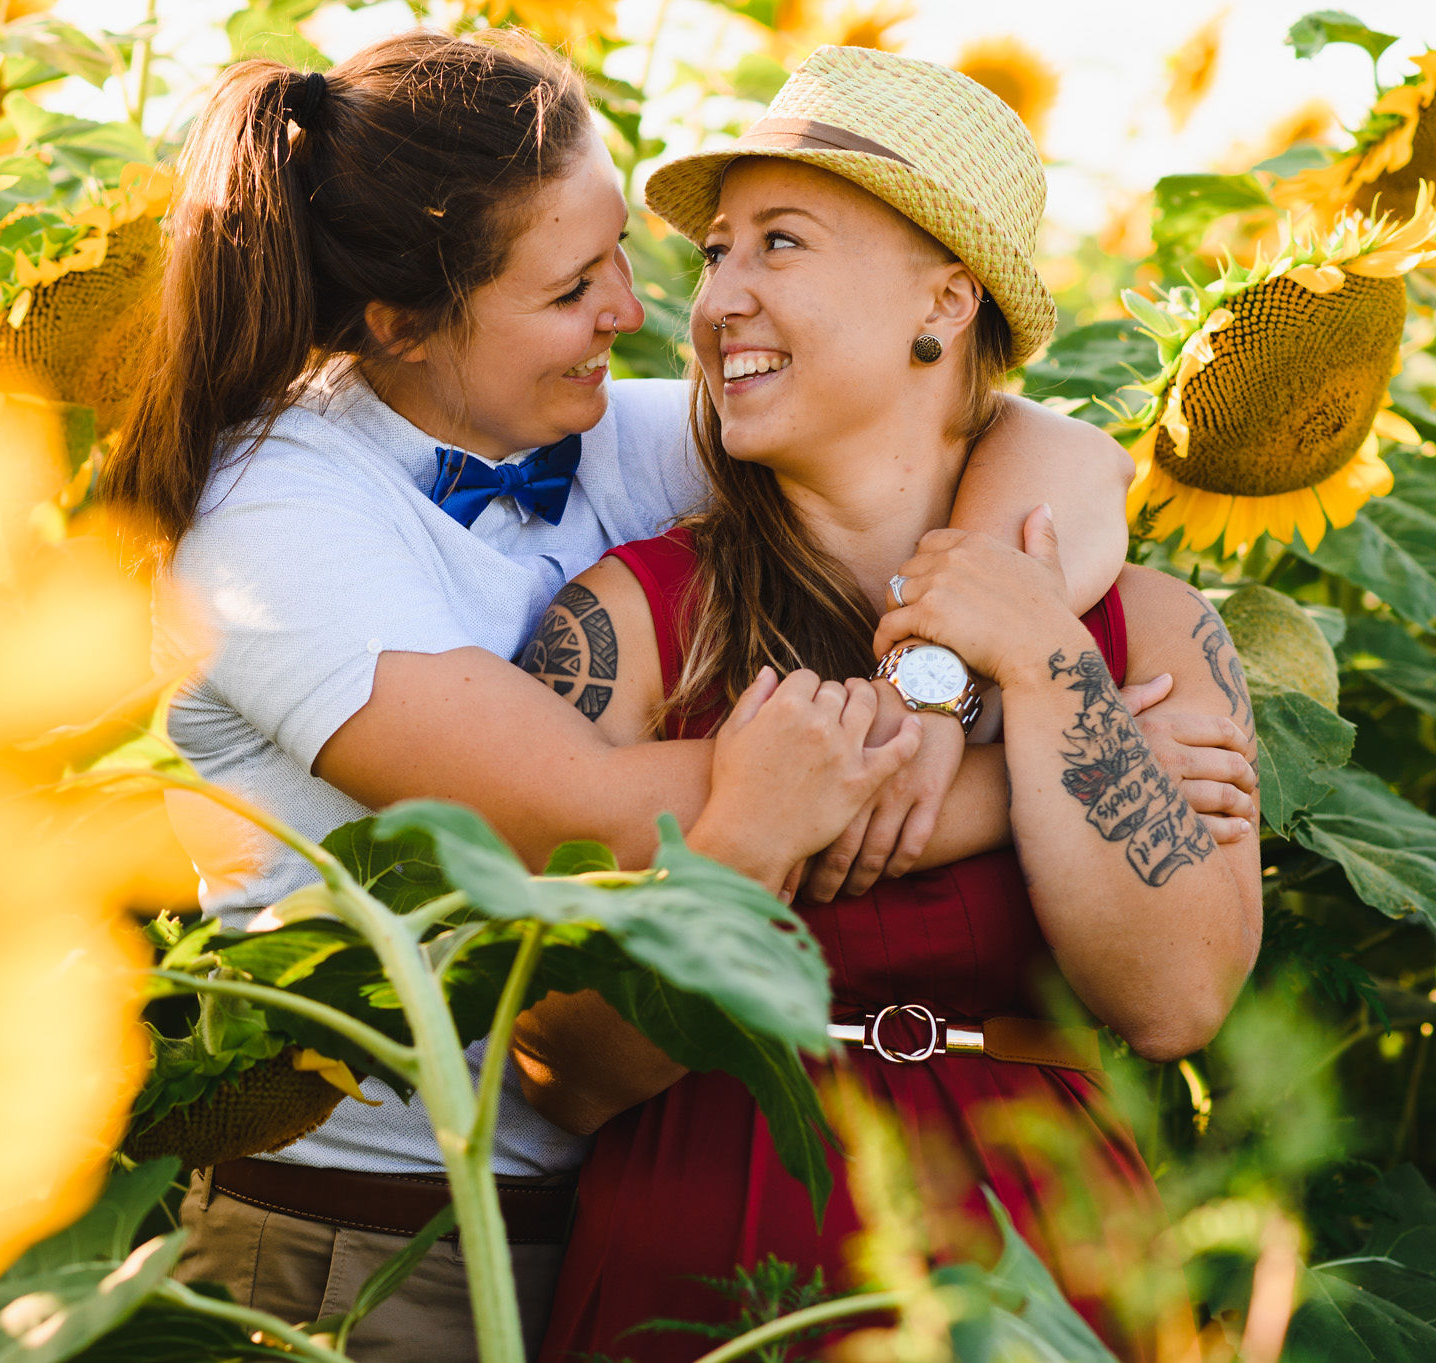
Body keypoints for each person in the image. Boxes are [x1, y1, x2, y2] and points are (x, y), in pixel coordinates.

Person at [105, 29, 1253, 1363]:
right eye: (578, 283)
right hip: (379, 1231)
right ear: (400, 323)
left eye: (657, 259)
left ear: (945, 299)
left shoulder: (605, 426)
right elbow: (576, 825)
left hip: (599, 1211)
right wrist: (1057, 766)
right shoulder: (276, 519)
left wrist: (971, 667)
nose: (651, 312)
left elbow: (1032, 442)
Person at [517, 46, 1264, 1362]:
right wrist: (751, 847)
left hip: (1042, 1274)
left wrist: (1040, 669)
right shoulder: (627, 620)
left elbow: (1175, 1000)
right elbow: (554, 1070)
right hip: (704, 1274)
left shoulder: (1137, 627)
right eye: (718, 255)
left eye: (779, 245)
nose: (716, 301)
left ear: (946, 297)